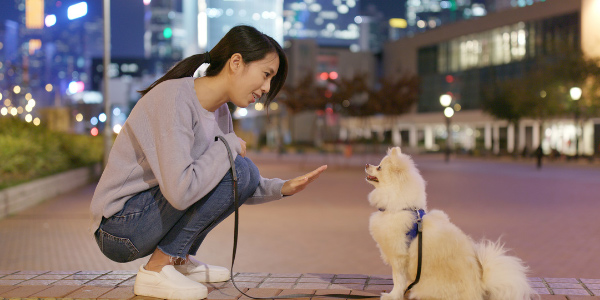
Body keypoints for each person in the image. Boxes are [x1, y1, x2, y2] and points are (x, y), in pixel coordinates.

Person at [89, 25, 327, 300]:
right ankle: (157, 269)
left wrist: (281, 188)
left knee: (242, 169)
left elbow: (231, 180)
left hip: (146, 217)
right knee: (238, 164)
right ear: (236, 63)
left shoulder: (220, 112)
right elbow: (181, 192)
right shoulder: (174, 98)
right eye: (266, 75)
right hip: (119, 227)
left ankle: (178, 260)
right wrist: (228, 145)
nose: (265, 88)